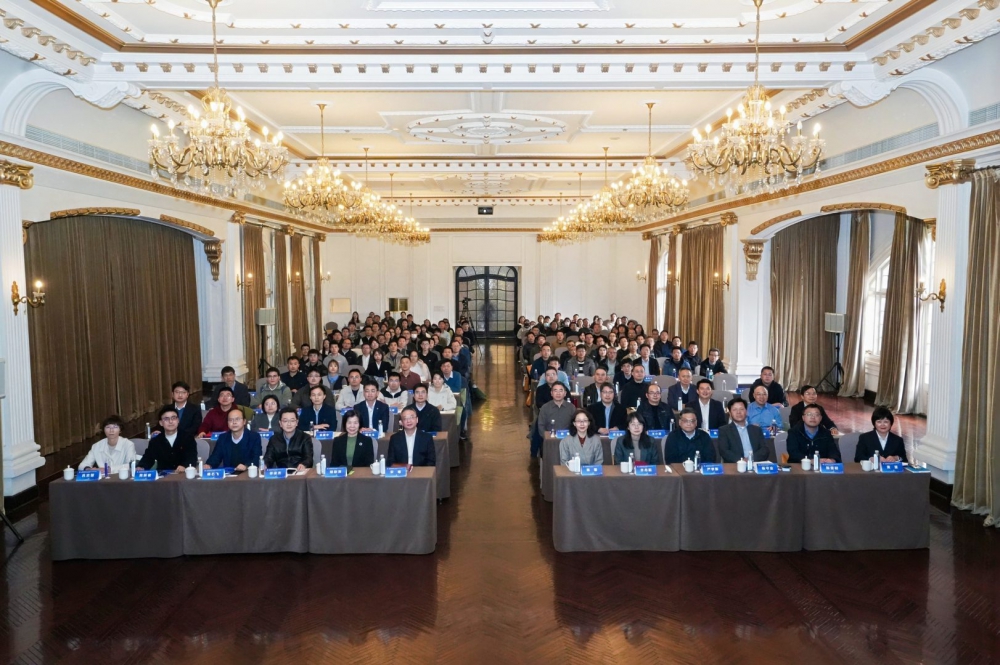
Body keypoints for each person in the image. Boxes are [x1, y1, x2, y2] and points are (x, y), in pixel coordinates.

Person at [136, 406, 198, 472]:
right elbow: (148, 458)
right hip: (163, 476)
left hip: (183, 474)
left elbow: (192, 457)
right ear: (161, 423)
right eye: (166, 419)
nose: (170, 421)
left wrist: (185, 466)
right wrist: (141, 467)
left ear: (178, 420)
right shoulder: (156, 441)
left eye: (173, 418)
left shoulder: (188, 438)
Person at [718, 397, 771, 463]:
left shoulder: (756, 429)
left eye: (741, 409)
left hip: (755, 463)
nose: (738, 412)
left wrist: (750, 459)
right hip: (735, 465)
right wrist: (742, 461)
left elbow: (765, 450)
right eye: (734, 410)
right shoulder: (724, 430)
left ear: (746, 412)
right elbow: (724, 451)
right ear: (730, 414)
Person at [264, 407, 314, 471]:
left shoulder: (305, 438)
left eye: (292, 421)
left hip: (299, 472)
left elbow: (308, 458)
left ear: (297, 422)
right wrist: (265, 465)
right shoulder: (274, 439)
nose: (289, 424)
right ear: (280, 423)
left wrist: (304, 464)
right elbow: (268, 458)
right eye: (285, 421)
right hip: (281, 473)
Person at [533, 381, 575, 456]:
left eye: (561, 390)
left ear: (565, 393)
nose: (558, 393)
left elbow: (575, 425)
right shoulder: (545, 408)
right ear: (551, 393)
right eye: (555, 390)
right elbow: (541, 426)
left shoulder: (571, 408)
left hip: (568, 441)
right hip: (550, 441)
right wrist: (547, 437)